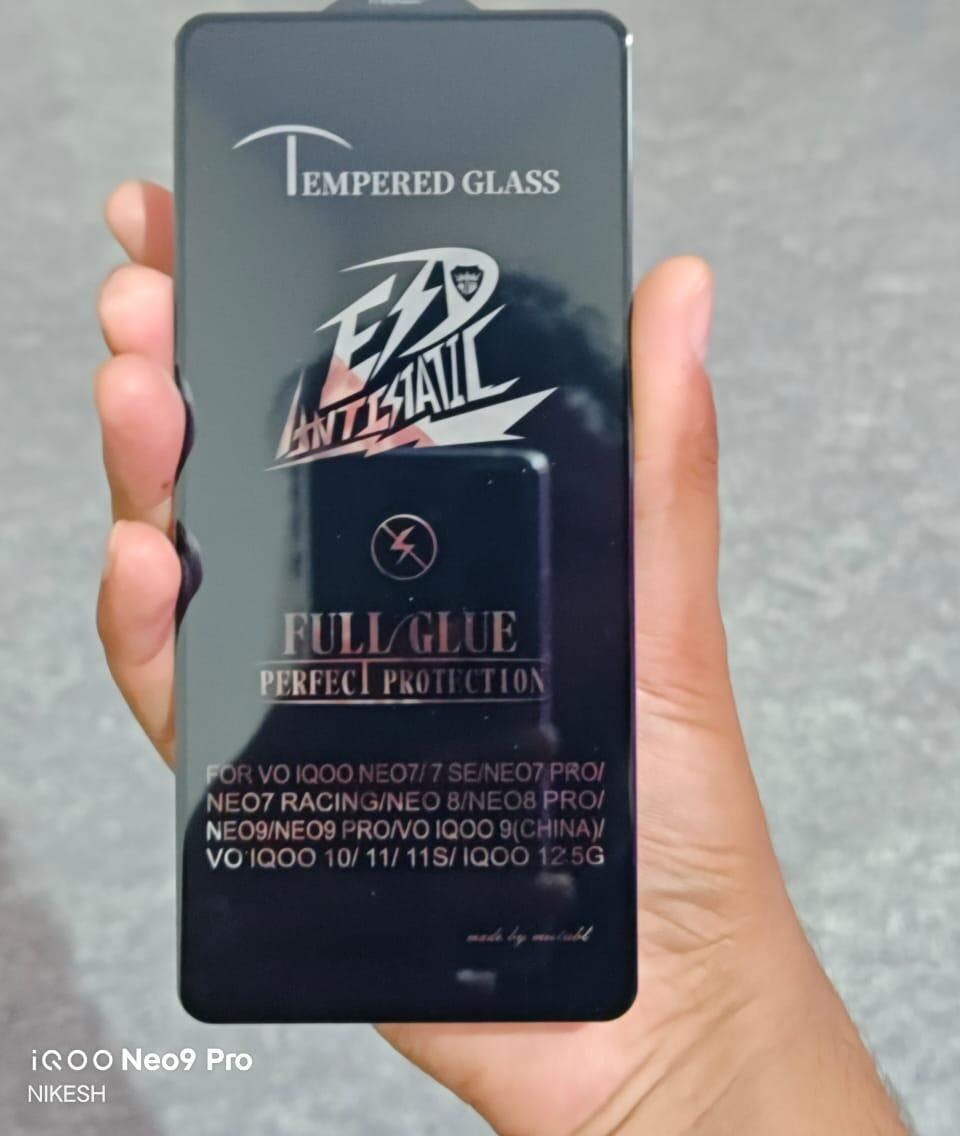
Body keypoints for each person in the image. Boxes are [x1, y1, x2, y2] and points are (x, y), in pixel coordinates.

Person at [94, 179, 911, 1136]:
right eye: (405, 530)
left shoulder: (647, 856)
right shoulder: (284, 798)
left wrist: (707, 1060)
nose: (468, 593)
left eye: (537, 534)